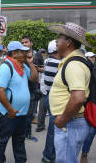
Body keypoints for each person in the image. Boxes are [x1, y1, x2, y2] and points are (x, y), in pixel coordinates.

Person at [48, 22, 92, 163]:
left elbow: (78, 98)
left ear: (69, 42)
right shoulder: (72, 61)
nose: (56, 40)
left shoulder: (74, 65)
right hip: (70, 124)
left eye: (60, 37)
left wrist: (62, 119)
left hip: (70, 124)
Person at [0, 41, 38, 163]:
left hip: (22, 113)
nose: (25, 54)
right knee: (2, 140)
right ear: (14, 53)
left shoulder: (22, 66)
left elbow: (34, 78)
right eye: (22, 52)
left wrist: (30, 63)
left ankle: (21, 160)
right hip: (10, 113)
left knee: (19, 140)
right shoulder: (6, 67)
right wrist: (10, 109)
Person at [41, 40, 61, 163]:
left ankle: (49, 155)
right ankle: (48, 156)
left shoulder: (47, 61)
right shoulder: (58, 64)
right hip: (54, 97)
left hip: (49, 95)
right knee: (53, 129)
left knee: (52, 128)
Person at [21, 36, 40, 142]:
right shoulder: (20, 56)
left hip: (33, 88)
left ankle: (27, 134)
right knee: (23, 114)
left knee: (30, 114)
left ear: (31, 43)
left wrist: (36, 68)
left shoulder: (37, 55)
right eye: (22, 42)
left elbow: (41, 68)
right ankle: (21, 134)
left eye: (26, 42)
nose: (24, 44)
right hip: (23, 89)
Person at [80, 51, 96, 163]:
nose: (93, 58)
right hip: (93, 103)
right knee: (91, 132)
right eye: (91, 57)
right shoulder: (91, 68)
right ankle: (84, 154)